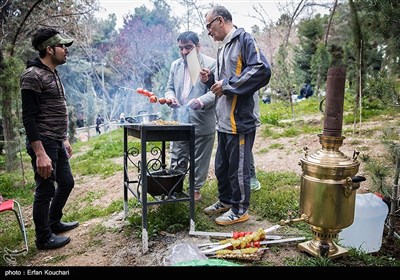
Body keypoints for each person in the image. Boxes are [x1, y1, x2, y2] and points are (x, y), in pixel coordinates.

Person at [200, 5, 271, 225]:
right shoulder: (222, 48)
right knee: (222, 166)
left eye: (209, 26)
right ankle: (226, 200)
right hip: (223, 119)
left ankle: (240, 210)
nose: (208, 32)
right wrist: (210, 80)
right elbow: (224, 82)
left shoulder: (244, 40)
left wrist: (227, 84)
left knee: (239, 169)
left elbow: (261, 69)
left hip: (240, 118)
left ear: (220, 21)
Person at [20, 27, 79, 250]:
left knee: (66, 182)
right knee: (45, 190)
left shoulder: (52, 73)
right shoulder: (32, 76)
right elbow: (29, 118)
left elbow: (54, 110)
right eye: (62, 46)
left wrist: (64, 138)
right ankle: (43, 238)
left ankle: (54, 222)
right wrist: (40, 153)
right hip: (43, 143)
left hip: (56, 141)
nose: (66, 50)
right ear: (49, 49)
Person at [164, 31, 217, 202]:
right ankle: (175, 187)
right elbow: (169, 87)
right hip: (179, 118)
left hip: (202, 119)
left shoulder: (211, 64)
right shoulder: (175, 66)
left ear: (198, 46)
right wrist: (171, 96)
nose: (184, 52)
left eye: (188, 47)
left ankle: (195, 189)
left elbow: (216, 92)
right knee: (178, 153)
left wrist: (201, 101)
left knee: (200, 158)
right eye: (181, 48)